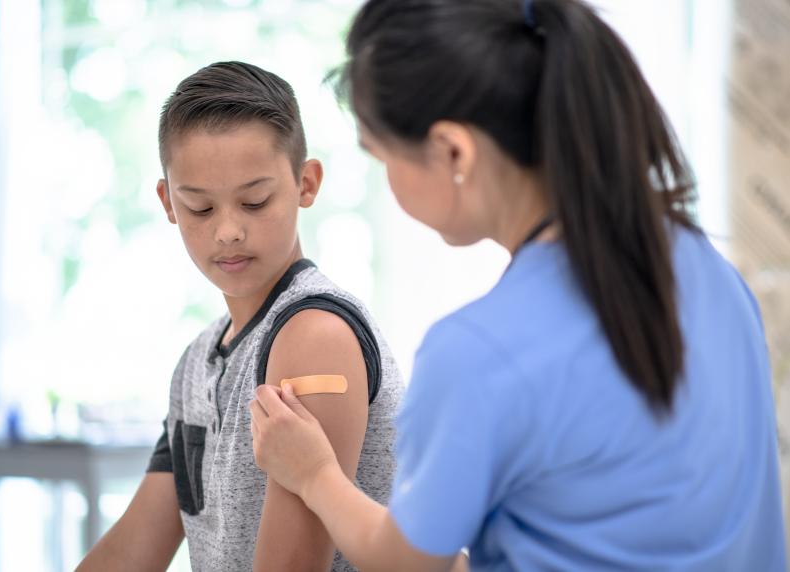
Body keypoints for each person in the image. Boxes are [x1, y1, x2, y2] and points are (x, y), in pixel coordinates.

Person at [249, 0, 789, 570]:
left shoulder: (477, 352)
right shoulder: (707, 268)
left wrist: (314, 475)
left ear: (454, 151)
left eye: (384, 156)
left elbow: (406, 561)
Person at [77, 61, 404, 571]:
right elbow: (133, 550)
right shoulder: (197, 363)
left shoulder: (314, 335)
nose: (228, 230)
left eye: (254, 201)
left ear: (306, 183)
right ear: (167, 201)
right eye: (200, 208)